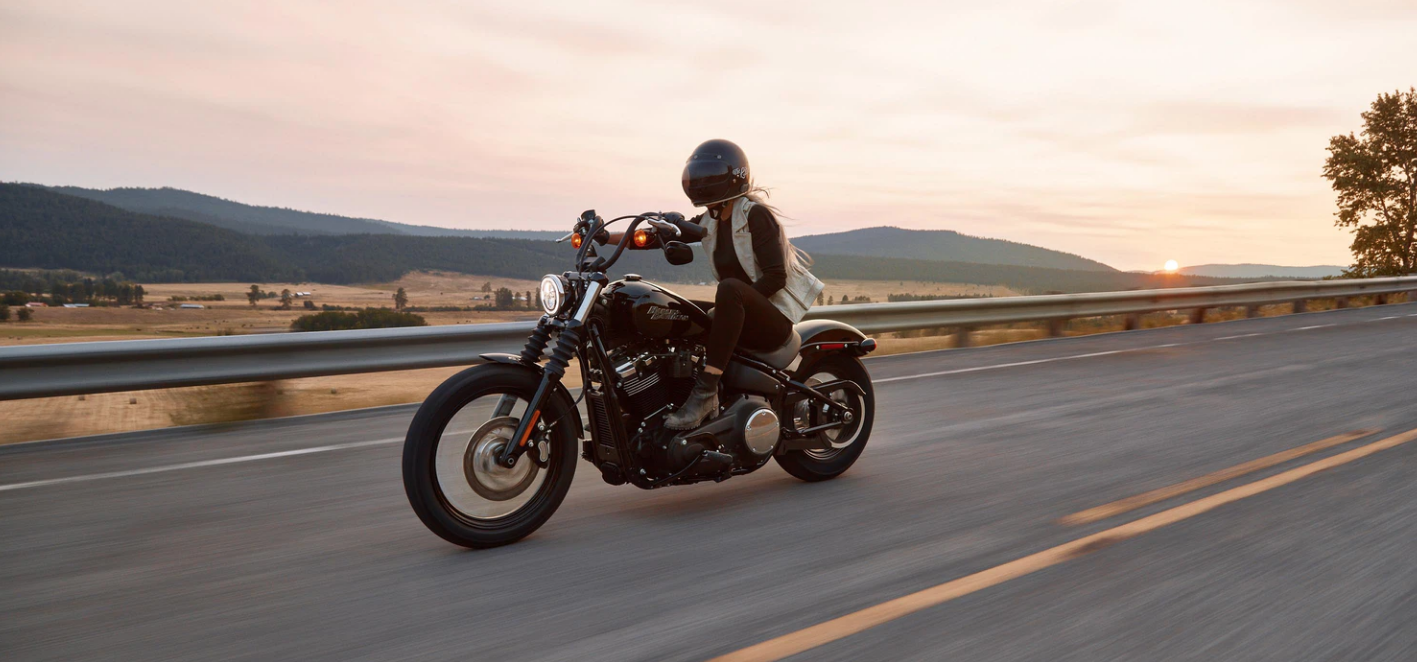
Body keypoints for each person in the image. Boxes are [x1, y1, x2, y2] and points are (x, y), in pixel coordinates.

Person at [665, 139, 825, 430]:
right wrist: (603, 237)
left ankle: (705, 393)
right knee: (677, 310)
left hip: (772, 321)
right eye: (698, 175)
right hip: (742, 310)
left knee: (728, 289)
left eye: (709, 174)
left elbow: (777, 277)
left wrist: (740, 303)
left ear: (731, 177)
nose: (701, 182)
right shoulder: (710, 218)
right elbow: (661, 236)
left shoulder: (755, 215)